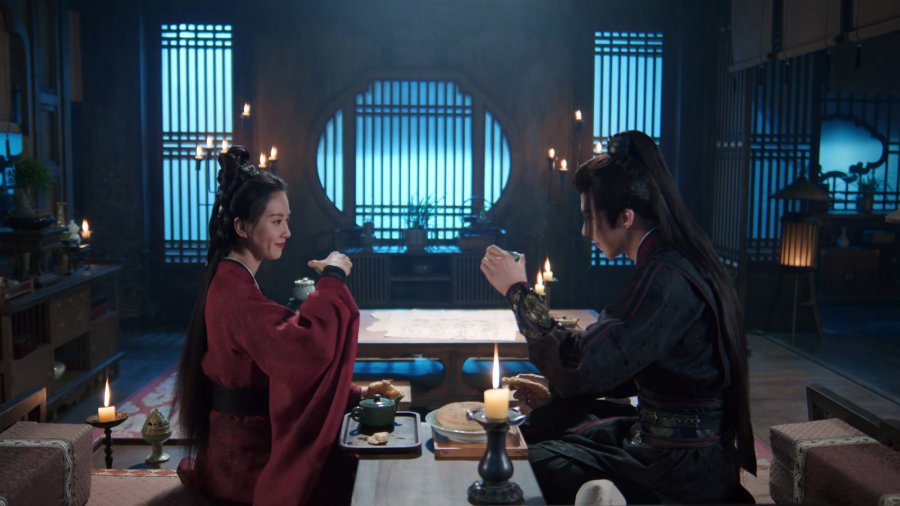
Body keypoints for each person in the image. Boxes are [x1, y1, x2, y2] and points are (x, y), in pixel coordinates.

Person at [480, 130, 756, 504]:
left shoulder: (668, 277)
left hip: (679, 466)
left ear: (625, 217)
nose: (584, 232)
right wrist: (553, 391)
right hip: (664, 441)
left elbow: (582, 365)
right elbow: (626, 361)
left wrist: (518, 292)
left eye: (589, 218)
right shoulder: (674, 262)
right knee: (545, 424)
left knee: (528, 465)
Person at [174, 146, 394, 505]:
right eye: (276, 221)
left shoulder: (231, 279)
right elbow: (303, 350)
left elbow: (275, 362)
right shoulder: (233, 290)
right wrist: (334, 279)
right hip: (247, 462)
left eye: (286, 220)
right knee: (347, 476)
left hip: (246, 442)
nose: (287, 232)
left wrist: (354, 394)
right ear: (242, 226)